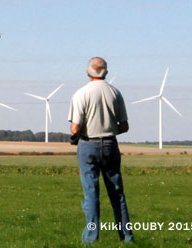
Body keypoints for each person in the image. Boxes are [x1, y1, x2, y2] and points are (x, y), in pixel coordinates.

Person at [68, 57, 134, 244]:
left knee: (91, 194)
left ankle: (91, 237)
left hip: (88, 144)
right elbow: (124, 126)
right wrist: (110, 129)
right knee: (117, 193)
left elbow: (75, 127)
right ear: (106, 71)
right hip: (111, 145)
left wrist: (77, 134)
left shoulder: (81, 93)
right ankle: (127, 237)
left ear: (88, 71)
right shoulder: (115, 92)